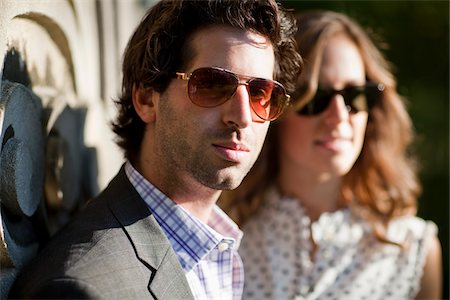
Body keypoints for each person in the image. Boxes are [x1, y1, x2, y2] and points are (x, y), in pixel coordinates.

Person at [8, 0, 302, 299]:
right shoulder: (81, 288)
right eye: (212, 84)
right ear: (147, 99)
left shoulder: (221, 247)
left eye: (261, 93)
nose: (241, 116)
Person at [220, 10, 442, 300]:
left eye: (355, 96)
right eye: (317, 98)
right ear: (274, 108)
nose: (338, 117)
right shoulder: (222, 232)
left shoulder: (413, 248)